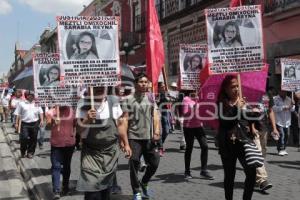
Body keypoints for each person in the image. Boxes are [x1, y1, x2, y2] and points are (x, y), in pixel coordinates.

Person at [76, 86, 131, 200]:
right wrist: (87, 120)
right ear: (90, 88)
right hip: (91, 153)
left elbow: (120, 125)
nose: (99, 88)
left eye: (102, 85)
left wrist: (126, 143)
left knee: (105, 189)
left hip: (110, 152)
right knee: (92, 190)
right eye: (96, 86)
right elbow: (78, 130)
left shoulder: (113, 101)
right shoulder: (83, 103)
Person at [217, 75, 257, 200]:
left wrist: (253, 114)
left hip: (243, 142)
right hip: (227, 144)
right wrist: (236, 108)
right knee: (230, 176)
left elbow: (248, 120)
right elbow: (225, 121)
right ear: (226, 89)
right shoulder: (221, 103)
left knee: (251, 173)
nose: (236, 89)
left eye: (237, 86)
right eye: (232, 86)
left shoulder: (243, 101)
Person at [122, 73, 161, 200]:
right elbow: (125, 120)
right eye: (141, 82)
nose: (144, 84)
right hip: (134, 137)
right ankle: (136, 191)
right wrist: (125, 142)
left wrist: (156, 131)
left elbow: (155, 115)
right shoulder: (128, 99)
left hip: (149, 137)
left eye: (146, 82)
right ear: (135, 84)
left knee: (155, 162)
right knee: (134, 163)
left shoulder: (150, 97)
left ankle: (144, 182)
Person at [182, 90, 214, 180]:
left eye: (199, 90)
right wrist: (194, 107)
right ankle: (187, 171)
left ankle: (204, 170)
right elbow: (185, 114)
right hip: (188, 127)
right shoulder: (186, 99)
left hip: (199, 126)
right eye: (196, 90)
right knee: (189, 148)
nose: (197, 92)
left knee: (205, 146)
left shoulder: (201, 99)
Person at [46, 106, 76, 199]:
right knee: (56, 167)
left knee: (67, 166)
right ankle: (56, 190)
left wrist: (74, 137)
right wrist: (53, 123)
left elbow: (75, 125)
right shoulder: (51, 112)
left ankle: (65, 187)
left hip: (69, 144)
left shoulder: (72, 111)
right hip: (56, 144)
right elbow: (47, 126)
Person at [14, 91, 44, 158]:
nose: (31, 96)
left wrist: (41, 120)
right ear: (26, 96)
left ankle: (30, 152)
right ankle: (23, 151)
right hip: (25, 124)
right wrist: (16, 123)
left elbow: (41, 112)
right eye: (29, 95)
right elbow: (18, 114)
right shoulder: (21, 104)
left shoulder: (37, 103)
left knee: (33, 139)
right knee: (24, 138)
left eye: (32, 95)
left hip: (35, 123)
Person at [272, 90, 295, 156]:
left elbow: (292, 110)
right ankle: (280, 149)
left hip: (287, 121)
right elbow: (273, 108)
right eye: (282, 91)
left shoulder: (289, 99)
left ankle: (284, 148)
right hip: (279, 120)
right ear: (279, 91)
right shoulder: (275, 98)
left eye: (285, 91)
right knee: (281, 135)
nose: (284, 93)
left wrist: (293, 105)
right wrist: (283, 107)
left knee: (287, 135)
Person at [157, 82, 172, 156]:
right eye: (162, 87)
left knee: (166, 130)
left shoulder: (166, 93)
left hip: (165, 112)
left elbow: (170, 102)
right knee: (159, 131)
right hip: (158, 113)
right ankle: (160, 147)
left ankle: (160, 144)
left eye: (164, 87)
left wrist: (169, 97)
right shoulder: (156, 94)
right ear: (158, 88)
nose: (163, 88)